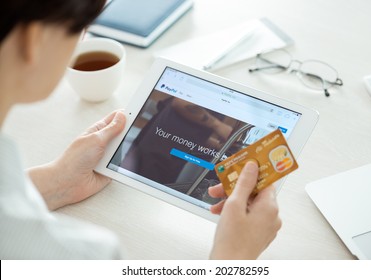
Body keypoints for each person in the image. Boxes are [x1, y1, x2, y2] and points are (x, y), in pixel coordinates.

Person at [0, 0, 281, 259]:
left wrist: (56, 182)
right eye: (82, 28)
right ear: (33, 40)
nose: (82, 40)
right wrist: (235, 256)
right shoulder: (78, 256)